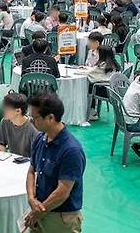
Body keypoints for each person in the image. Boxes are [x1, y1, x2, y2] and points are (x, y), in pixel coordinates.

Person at [25, 92, 86, 232]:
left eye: (35, 118)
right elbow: (31, 171)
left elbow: (62, 192)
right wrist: (31, 199)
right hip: (40, 209)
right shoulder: (40, 139)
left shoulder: (71, 150)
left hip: (61, 217)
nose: (31, 121)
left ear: (50, 118)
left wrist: (38, 211)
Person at [0, 92, 39, 157]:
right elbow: (0, 143)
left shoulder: (34, 128)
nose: (3, 110)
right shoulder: (5, 121)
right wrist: (4, 157)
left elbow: (37, 155)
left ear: (18, 111)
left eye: (7, 108)